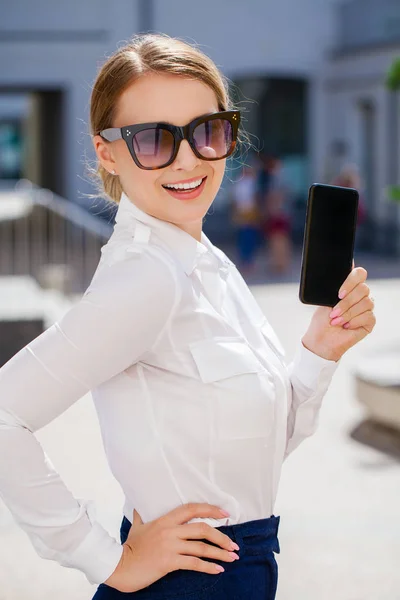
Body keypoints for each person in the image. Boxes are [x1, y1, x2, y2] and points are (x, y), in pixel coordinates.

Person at [0, 33, 376, 599]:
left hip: (237, 567)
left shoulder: (204, 260)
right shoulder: (147, 277)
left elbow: (253, 456)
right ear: (108, 152)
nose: (187, 159)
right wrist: (104, 558)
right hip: (187, 584)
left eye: (207, 131)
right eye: (153, 140)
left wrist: (318, 353)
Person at [230, 162, 260, 274]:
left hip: (250, 213)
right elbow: (235, 200)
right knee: (244, 238)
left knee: (250, 238)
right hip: (243, 213)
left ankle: (249, 261)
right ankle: (245, 261)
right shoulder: (240, 183)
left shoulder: (252, 182)